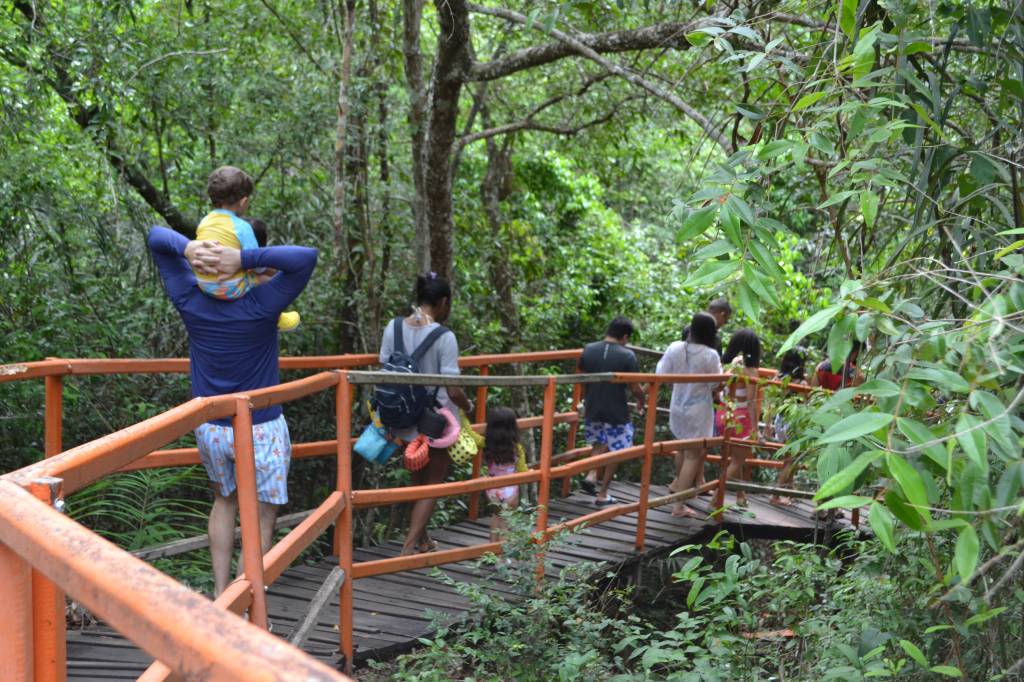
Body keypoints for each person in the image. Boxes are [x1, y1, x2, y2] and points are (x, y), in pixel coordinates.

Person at [147, 225, 317, 596]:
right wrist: (246, 260)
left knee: (223, 501)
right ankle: (245, 603)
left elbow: (157, 237)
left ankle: (222, 594)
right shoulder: (263, 302)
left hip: (212, 425)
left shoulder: (190, 298)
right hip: (261, 427)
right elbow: (306, 257)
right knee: (261, 514)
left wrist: (189, 248)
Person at [379, 273, 473, 556]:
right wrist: (469, 407)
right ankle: (408, 548)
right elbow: (453, 389)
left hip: (402, 418)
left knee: (417, 482)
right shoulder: (445, 337)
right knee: (432, 484)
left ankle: (422, 539)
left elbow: (385, 367)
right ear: (444, 302)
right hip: (435, 423)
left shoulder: (392, 327)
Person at [192, 166, 299, 332]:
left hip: (205, 284)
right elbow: (257, 264)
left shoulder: (204, 221)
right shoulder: (241, 227)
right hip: (228, 289)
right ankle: (279, 319)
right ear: (244, 202)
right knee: (266, 280)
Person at [658, 313, 722, 517]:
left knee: (682, 450)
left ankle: (679, 490)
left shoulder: (675, 347)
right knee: (693, 455)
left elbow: (661, 374)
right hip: (698, 410)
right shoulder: (710, 354)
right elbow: (715, 383)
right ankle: (678, 506)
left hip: (677, 406)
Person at [578, 316, 646, 507]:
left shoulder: (589, 349)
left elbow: (582, 379)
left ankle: (592, 474)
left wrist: (585, 399)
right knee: (618, 450)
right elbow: (635, 388)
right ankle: (603, 494)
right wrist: (642, 400)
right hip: (616, 410)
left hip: (593, 406)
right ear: (625, 336)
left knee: (599, 442)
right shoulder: (627, 356)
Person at [716, 328, 763, 507]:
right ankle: (715, 500)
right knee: (737, 461)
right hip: (740, 418)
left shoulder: (729, 365)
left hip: (723, 413)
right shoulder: (751, 371)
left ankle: (741, 496)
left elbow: (719, 388)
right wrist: (756, 429)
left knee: (736, 459)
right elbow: (751, 402)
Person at [768, 347, 807, 506]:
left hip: (779, 420)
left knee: (789, 458)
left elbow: (771, 403)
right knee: (791, 459)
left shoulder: (777, 378)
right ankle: (776, 495)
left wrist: (767, 426)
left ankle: (790, 490)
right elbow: (805, 404)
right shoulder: (802, 383)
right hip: (793, 422)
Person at [482, 407, 521, 540]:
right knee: (505, 521)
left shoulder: (485, 444)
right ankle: (504, 556)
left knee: (495, 516)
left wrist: (462, 413)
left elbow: (469, 433)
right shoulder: (516, 448)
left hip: (492, 489)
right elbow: (523, 469)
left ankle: (493, 551)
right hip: (510, 489)